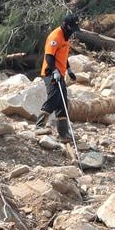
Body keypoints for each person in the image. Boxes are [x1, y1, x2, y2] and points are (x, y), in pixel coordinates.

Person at [37, 12, 80, 141]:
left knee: (62, 102)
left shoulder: (66, 38)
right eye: (71, 29)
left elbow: (63, 56)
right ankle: (39, 126)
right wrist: (54, 70)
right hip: (50, 72)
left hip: (60, 73)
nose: (72, 32)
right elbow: (49, 56)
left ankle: (63, 133)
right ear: (65, 25)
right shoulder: (55, 36)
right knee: (54, 97)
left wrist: (69, 70)